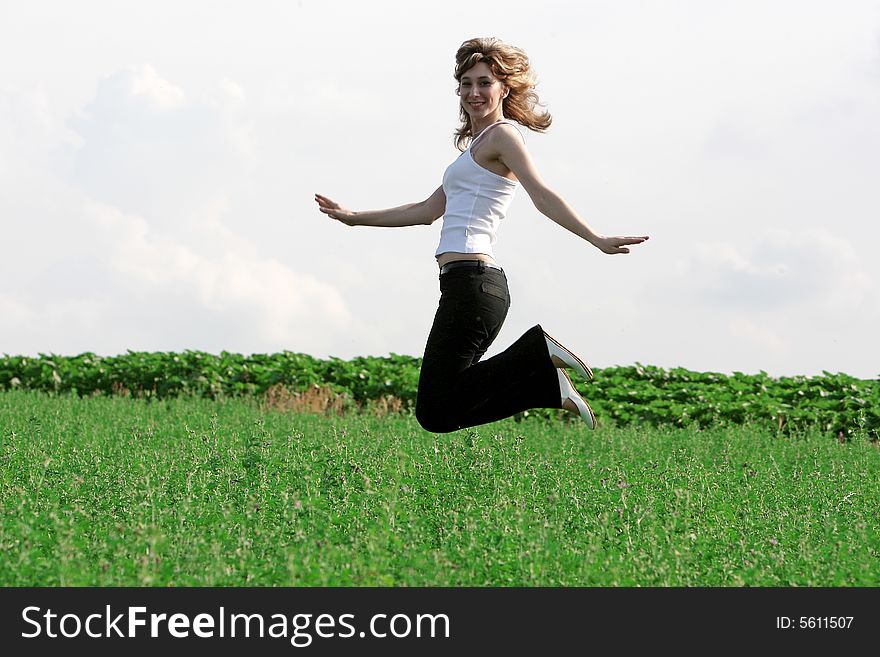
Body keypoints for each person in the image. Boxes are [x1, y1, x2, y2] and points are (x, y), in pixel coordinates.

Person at [315, 37, 648, 433]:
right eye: (466, 83)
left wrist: (594, 237)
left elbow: (541, 194)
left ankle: (538, 356)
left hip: (474, 284)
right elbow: (426, 211)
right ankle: (545, 380)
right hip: (468, 286)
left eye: (484, 82)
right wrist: (354, 217)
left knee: (436, 410)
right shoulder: (472, 150)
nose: (474, 92)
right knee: (439, 410)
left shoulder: (503, 137)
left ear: (504, 88)